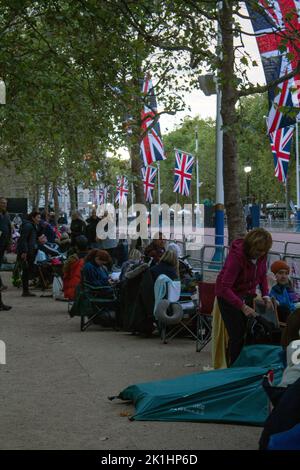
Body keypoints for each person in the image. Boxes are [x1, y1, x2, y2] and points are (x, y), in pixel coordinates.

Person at [216, 228, 273, 365]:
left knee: (251, 330)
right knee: (237, 334)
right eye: (258, 251)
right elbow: (225, 288)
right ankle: (234, 366)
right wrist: (242, 306)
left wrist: (266, 295)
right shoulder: (236, 257)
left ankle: (246, 362)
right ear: (250, 246)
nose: (260, 255)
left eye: (263, 252)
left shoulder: (262, 256)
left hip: (246, 293)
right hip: (228, 296)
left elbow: (262, 275)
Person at [17, 211, 41, 297]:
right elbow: (23, 239)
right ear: (33, 218)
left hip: (30, 251)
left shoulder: (32, 226)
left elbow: (30, 239)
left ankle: (26, 290)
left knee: (27, 270)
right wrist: (24, 252)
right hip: (27, 252)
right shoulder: (28, 226)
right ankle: (25, 290)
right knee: (26, 271)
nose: (39, 219)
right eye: (38, 217)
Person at [63, 235, 89, 301]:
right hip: (90, 288)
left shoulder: (72, 259)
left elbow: (65, 272)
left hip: (74, 288)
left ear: (76, 247)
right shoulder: (92, 258)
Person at [0, 197, 12, 310]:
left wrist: (9, 242)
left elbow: (9, 228)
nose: (4, 205)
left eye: (5, 203)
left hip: (3, 245)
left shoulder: (6, 215)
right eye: (2, 203)